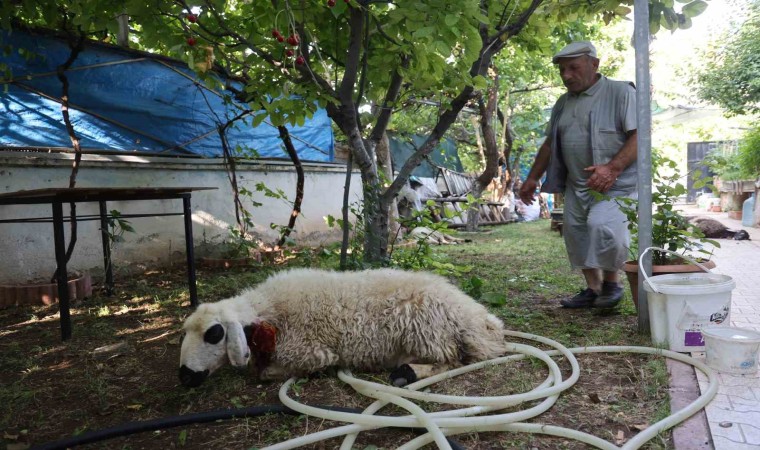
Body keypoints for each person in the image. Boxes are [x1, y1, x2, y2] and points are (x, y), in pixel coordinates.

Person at [518, 41, 637, 309]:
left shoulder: (621, 92)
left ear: (594, 64)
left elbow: (640, 136)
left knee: (603, 226)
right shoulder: (563, 103)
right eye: (562, 70)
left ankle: (612, 283)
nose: (566, 75)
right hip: (576, 184)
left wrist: (612, 168)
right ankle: (594, 289)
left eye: (573, 68)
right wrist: (532, 178)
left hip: (616, 184)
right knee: (577, 234)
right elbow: (549, 144)